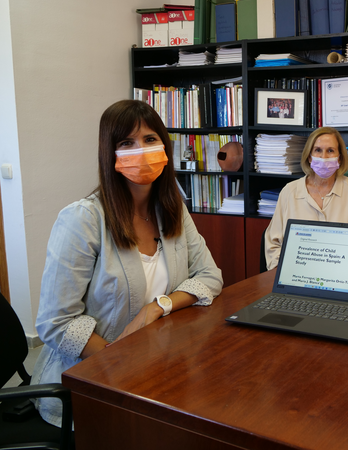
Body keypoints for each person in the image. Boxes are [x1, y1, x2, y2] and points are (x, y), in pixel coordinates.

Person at [32, 100, 223, 426]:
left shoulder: (172, 209)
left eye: (150, 139)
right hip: (91, 379)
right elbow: (56, 322)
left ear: (164, 146)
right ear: (110, 153)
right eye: (126, 143)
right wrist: (118, 359)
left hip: (157, 367)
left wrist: (158, 306)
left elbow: (210, 276)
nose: (141, 151)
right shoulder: (84, 219)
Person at [264, 127, 348, 270]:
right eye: (318, 150)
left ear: (340, 157)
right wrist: (281, 273)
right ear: (309, 156)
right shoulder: (289, 192)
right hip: (297, 274)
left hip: (342, 273)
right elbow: (273, 244)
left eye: (330, 150)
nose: (324, 157)